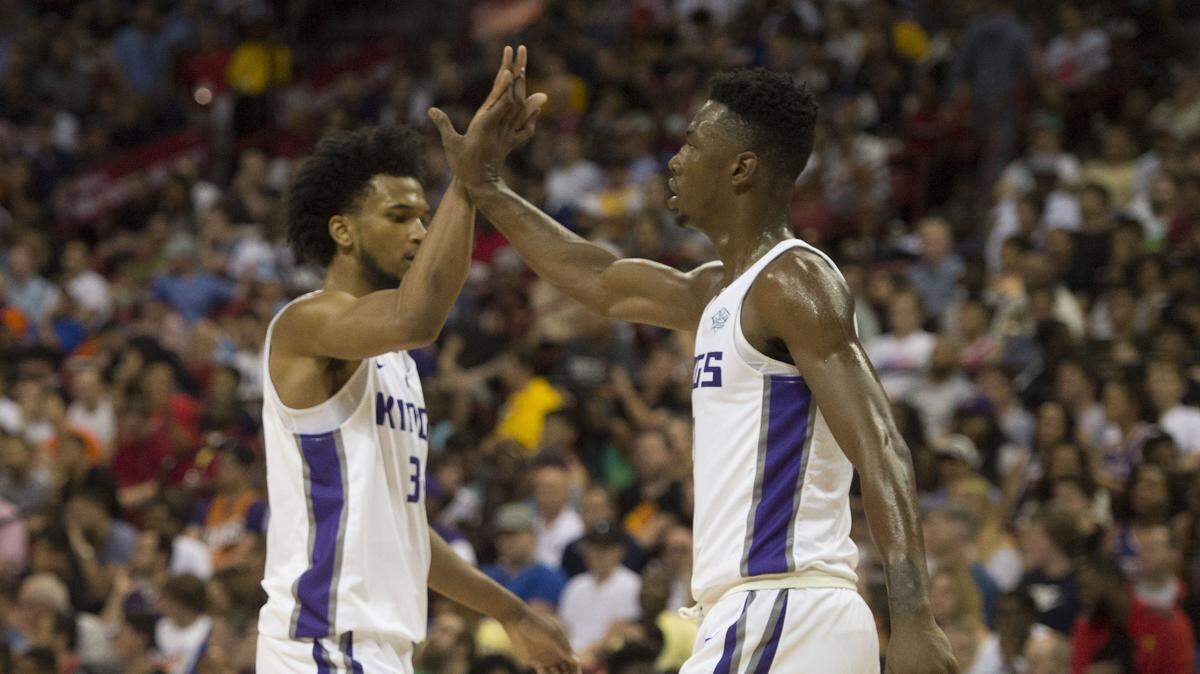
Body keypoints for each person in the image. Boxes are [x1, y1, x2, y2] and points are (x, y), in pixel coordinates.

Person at [431, 51, 955, 673]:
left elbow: (881, 444)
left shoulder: (793, 278)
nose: (675, 159)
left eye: (692, 142)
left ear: (741, 168)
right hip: (762, 615)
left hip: (783, 608)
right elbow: (598, 277)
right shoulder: (716, 290)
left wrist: (915, 616)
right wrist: (484, 184)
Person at [256, 48, 575, 673]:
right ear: (343, 231)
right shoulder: (307, 322)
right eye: (399, 216)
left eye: (424, 216)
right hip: (323, 645)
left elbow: (406, 531)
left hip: (376, 649)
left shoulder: (393, 360)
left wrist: (509, 610)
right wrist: (470, 177)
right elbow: (419, 316)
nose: (421, 232)